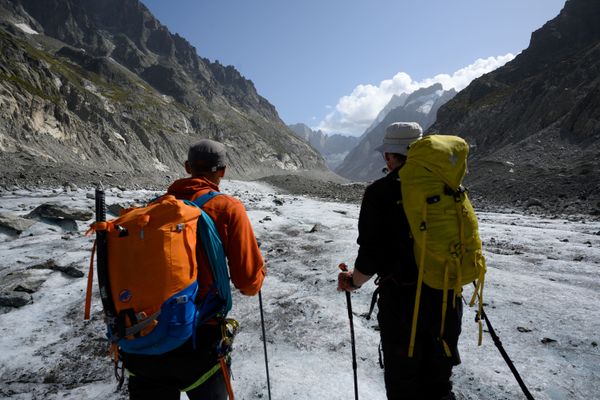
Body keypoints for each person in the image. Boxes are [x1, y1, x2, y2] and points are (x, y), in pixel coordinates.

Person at [121, 139, 266, 399]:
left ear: (187, 166)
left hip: (144, 338)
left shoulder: (152, 208)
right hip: (200, 342)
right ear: (222, 171)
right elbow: (248, 284)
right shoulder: (228, 208)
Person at [337, 122, 462, 400]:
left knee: (403, 388)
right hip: (447, 302)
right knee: (440, 385)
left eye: (387, 155)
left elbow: (370, 256)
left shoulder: (380, 192)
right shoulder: (449, 186)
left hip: (404, 307)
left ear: (391, 156)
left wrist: (352, 282)